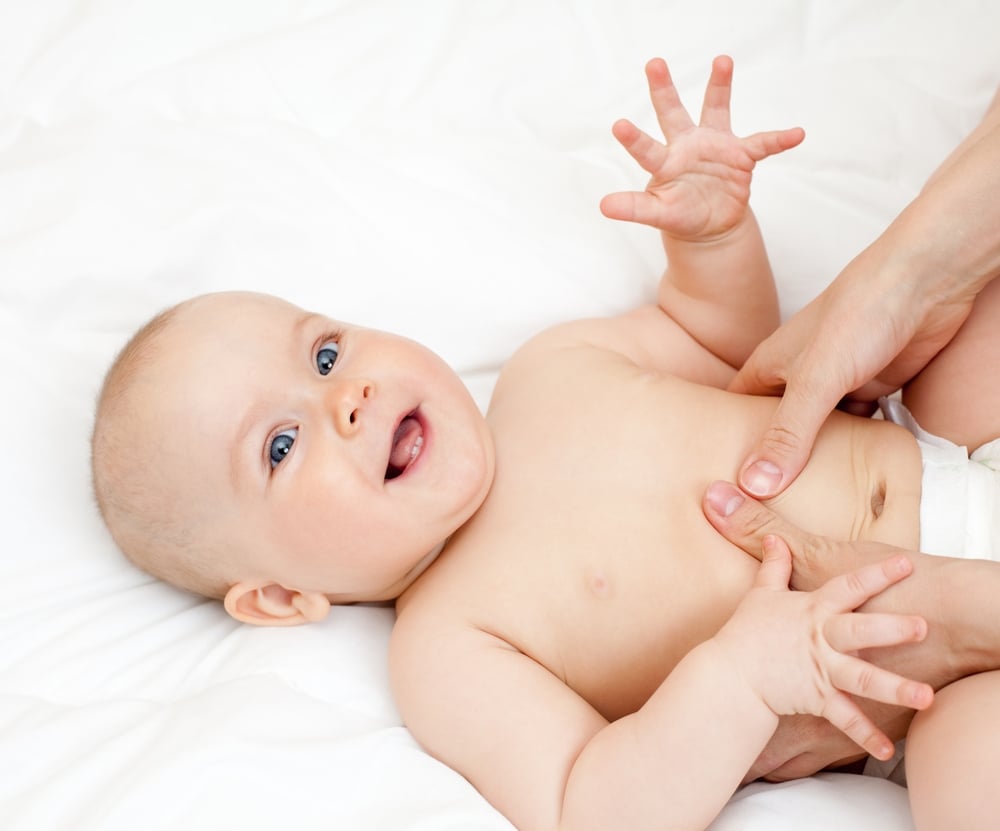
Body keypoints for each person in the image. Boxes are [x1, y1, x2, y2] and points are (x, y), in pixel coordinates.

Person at [89, 57, 999, 831]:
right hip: (917, 688)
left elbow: (728, 345)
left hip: (933, 438)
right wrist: (743, 678)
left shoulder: (548, 368)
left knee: (973, 332)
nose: (349, 398)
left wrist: (714, 240)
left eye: (325, 353)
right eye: (281, 445)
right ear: (283, 595)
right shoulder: (446, 647)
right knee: (971, 777)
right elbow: (590, 803)